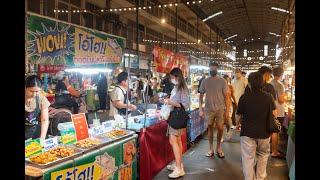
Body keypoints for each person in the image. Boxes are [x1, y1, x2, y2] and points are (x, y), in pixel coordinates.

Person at [236, 72, 277, 180]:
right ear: (262, 83)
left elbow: (238, 116)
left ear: (249, 83)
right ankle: (260, 177)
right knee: (263, 156)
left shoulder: (244, 97)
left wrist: (237, 124)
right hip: (264, 133)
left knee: (248, 159)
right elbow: (274, 113)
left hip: (247, 133)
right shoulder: (268, 97)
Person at [199, 62, 230, 158]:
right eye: (211, 68)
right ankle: (211, 148)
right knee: (210, 127)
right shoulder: (205, 81)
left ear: (217, 69)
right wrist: (200, 108)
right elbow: (200, 96)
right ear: (209, 69)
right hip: (208, 109)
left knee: (220, 128)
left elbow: (226, 97)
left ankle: (219, 147)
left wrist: (227, 111)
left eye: (214, 68)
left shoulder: (222, 81)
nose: (213, 70)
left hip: (220, 109)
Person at [163, 68, 189, 178]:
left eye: (172, 77)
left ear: (177, 77)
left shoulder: (182, 88)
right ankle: (179, 163)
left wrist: (170, 102)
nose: (171, 79)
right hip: (175, 116)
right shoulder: (177, 87)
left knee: (174, 140)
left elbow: (185, 104)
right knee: (177, 140)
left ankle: (179, 168)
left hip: (177, 117)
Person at [25, 75, 51, 140]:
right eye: (31, 91)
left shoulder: (41, 99)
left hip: (36, 133)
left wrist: (42, 138)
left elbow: (44, 120)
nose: (34, 94)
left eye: (37, 91)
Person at [270, 67, 286, 159]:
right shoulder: (280, 85)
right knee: (276, 131)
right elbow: (280, 100)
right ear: (281, 74)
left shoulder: (270, 83)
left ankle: (273, 148)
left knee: (272, 131)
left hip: (271, 110)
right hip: (278, 110)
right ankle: (274, 152)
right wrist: (285, 97)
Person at [223, 74, 237, 140]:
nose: (226, 81)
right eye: (225, 79)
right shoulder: (220, 87)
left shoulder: (230, 87)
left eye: (227, 80)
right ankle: (221, 135)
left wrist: (236, 103)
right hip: (221, 106)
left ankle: (228, 132)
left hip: (229, 105)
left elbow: (233, 96)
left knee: (228, 120)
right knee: (222, 121)